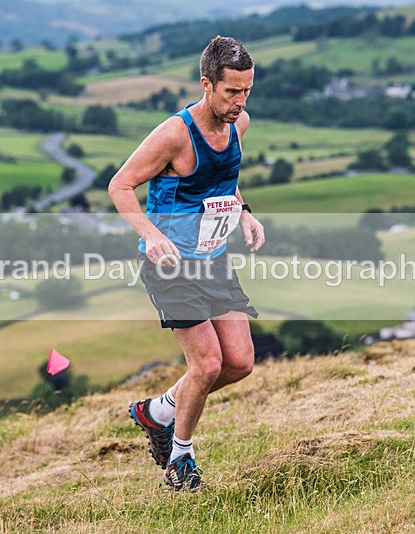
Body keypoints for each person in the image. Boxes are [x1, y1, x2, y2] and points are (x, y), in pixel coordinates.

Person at [108, 36, 265, 492]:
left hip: (213, 260)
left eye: (247, 91)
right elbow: (120, 186)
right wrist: (152, 236)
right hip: (170, 265)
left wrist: (246, 213)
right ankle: (180, 460)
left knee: (240, 362)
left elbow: (222, 183)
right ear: (206, 84)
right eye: (231, 92)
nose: (240, 102)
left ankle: (156, 412)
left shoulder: (240, 125)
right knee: (208, 364)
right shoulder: (175, 135)